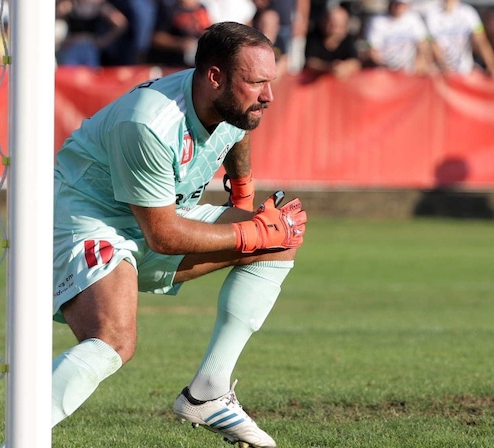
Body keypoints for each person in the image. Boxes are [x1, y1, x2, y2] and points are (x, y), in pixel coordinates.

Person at [50, 21, 306, 448]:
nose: (268, 96)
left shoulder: (230, 103)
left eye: (270, 81)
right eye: (256, 82)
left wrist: (243, 194)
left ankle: (208, 391)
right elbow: (164, 237)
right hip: (86, 220)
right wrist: (249, 233)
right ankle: (21, 437)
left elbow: (238, 131)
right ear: (215, 77)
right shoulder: (148, 122)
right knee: (113, 340)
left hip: (154, 218)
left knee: (283, 235)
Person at [422, 0, 494, 78]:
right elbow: (432, 44)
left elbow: (481, 41)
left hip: (465, 71)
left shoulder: (469, 13)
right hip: (441, 73)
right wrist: (445, 67)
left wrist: (493, 66)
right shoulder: (431, 14)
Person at [363, 0, 432, 74]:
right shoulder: (377, 21)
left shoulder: (413, 19)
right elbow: (374, 51)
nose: (399, 8)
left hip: (409, 70)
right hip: (386, 69)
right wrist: (387, 67)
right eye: (396, 5)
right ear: (390, 4)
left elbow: (423, 44)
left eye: (402, 5)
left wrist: (422, 62)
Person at [55, 0, 128, 68]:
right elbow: (51, 17)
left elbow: (120, 23)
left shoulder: (98, 5)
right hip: (72, 47)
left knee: (91, 76)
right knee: (69, 76)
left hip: (90, 48)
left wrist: (104, 41)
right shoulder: (70, 4)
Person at [303, 4, 362, 79]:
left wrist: (343, 67)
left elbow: (356, 62)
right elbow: (310, 62)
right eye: (332, 23)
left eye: (339, 25)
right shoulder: (313, 37)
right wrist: (329, 67)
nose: (335, 29)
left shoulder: (348, 40)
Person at [147, 0, 212, 67]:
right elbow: (156, 38)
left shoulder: (202, 8)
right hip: (172, 65)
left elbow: (207, 30)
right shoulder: (170, 9)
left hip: (196, 65)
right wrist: (179, 44)